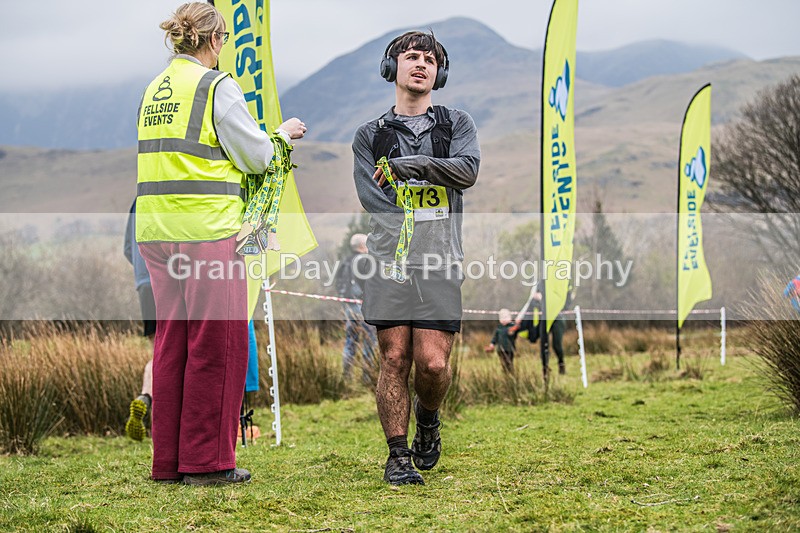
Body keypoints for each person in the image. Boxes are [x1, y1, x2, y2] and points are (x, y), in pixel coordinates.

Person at [136, 2, 306, 485]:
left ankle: (169, 463)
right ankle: (208, 463)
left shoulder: (154, 89)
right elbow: (255, 156)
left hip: (155, 232)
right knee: (219, 345)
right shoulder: (215, 86)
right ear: (215, 40)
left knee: (172, 346)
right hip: (207, 232)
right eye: (225, 39)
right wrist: (282, 136)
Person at [352, 31, 480, 485]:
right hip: (388, 262)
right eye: (412, 57)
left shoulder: (457, 123)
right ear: (393, 68)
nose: (421, 64)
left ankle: (428, 417)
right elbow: (373, 198)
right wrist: (409, 225)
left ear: (439, 74)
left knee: (433, 363)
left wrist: (410, 167)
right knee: (394, 358)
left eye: (430, 59)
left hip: (441, 260)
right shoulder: (369, 135)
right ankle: (397, 456)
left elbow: (466, 171)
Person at [123, 199, 156, 442]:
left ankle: (145, 395)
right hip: (165, 280)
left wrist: (140, 270)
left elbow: (127, 248)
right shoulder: (163, 195)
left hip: (143, 285)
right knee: (172, 355)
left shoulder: (137, 203)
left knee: (158, 352)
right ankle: (162, 424)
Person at [335, 233, 377, 382]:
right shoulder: (364, 261)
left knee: (350, 341)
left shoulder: (345, 262)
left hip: (349, 307)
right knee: (369, 341)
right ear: (362, 246)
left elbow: (338, 283)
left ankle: (346, 377)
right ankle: (368, 377)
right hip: (363, 306)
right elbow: (371, 284)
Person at [511, 287, 568, 377]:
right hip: (543, 320)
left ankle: (561, 364)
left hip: (557, 319)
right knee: (544, 344)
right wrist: (519, 318)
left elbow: (558, 301)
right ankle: (545, 367)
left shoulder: (554, 286)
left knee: (557, 345)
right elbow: (528, 305)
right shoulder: (536, 288)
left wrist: (543, 298)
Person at [484, 308, 518, 374]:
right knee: (503, 363)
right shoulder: (499, 328)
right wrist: (491, 345)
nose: (504, 319)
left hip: (509, 349)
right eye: (502, 318)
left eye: (506, 317)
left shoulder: (512, 326)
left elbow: (515, 334)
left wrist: (513, 330)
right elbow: (495, 338)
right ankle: (505, 373)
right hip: (500, 350)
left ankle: (511, 374)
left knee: (509, 362)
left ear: (510, 318)